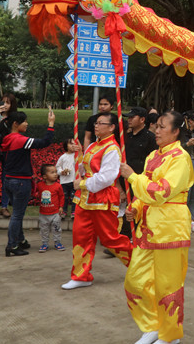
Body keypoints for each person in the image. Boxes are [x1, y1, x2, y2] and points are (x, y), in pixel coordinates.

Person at [121, 110, 194, 344]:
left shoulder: (180, 158)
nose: (158, 130)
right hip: (149, 227)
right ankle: (153, 325)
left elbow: (161, 191)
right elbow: (146, 192)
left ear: (176, 131)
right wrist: (135, 208)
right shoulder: (153, 155)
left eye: (163, 127)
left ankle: (170, 335)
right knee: (135, 281)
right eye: (157, 126)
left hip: (170, 228)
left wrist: (132, 178)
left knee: (168, 284)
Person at [62, 111, 132, 289]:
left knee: (110, 238)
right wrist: (80, 158)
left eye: (101, 123)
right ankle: (80, 276)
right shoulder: (94, 145)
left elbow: (107, 178)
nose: (96, 126)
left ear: (111, 127)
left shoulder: (112, 149)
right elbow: (86, 168)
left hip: (102, 199)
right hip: (85, 199)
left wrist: (82, 183)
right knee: (81, 237)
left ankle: (141, 266)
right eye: (96, 123)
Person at [0, 109, 55, 256]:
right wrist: (51, 124)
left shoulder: (6, 139)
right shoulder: (20, 140)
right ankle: (12, 245)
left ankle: (21, 240)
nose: (27, 123)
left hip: (9, 181)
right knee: (17, 215)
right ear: (16, 124)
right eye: (24, 121)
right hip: (21, 182)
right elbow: (45, 142)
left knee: (17, 213)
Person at [122, 107, 157, 237]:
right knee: (127, 209)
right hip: (125, 178)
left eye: (132, 117)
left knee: (135, 208)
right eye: (129, 117)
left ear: (142, 120)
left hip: (141, 180)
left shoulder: (150, 138)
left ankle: (126, 237)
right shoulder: (126, 137)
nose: (129, 120)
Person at [36, 164, 65, 252]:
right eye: (52, 172)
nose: (55, 174)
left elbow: (62, 196)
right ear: (45, 176)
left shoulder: (58, 186)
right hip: (43, 213)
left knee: (56, 228)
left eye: (56, 172)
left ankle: (57, 243)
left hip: (55, 213)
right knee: (44, 229)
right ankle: (44, 244)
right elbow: (36, 194)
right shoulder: (40, 185)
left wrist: (61, 207)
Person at [56, 139, 79, 217]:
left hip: (74, 180)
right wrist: (61, 172)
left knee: (74, 197)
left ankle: (74, 212)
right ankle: (64, 211)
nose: (73, 145)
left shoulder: (77, 155)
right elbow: (57, 167)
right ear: (66, 146)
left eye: (74, 144)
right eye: (70, 144)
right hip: (64, 181)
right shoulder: (63, 157)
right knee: (64, 197)